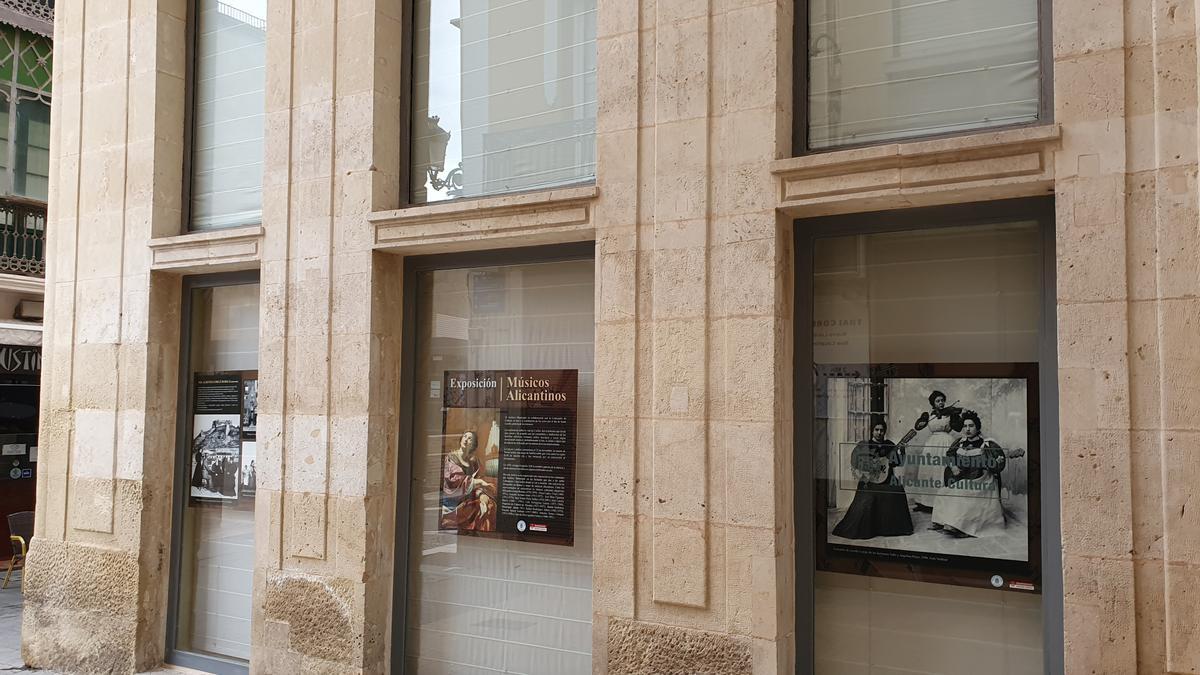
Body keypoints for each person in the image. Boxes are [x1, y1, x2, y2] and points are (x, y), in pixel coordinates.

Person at [831, 421, 914, 539]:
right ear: (872, 430)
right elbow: (856, 462)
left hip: (887, 479)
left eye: (882, 430)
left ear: (885, 431)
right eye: (877, 430)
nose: (879, 433)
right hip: (869, 480)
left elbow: (898, 463)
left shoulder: (890, 445)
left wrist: (903, 451)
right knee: (868, 497)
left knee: (897, 490)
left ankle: (895, 529)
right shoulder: (865, 445)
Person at [930, 410, 1007, 538]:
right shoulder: (959, 442)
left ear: (977, 428)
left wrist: (992, 462)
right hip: (963, 478)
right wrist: (953, 466)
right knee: (944, 491)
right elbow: (949, 455)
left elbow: (996, 463)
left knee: (962, 492)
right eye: (965, 426)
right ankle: (944, 521)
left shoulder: (986, 444)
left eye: (971, 426)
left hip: (981, 479)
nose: (967, 429)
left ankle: (959, 526)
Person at [909, 390, 962, 514]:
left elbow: (958, 427)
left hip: (946, 443)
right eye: (938, 401)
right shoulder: (929, 415)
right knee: (928, 472)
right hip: (932, 444)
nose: (941, 403)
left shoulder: (950, 413)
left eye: (942, 400)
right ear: (933, 403)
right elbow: (918, 426)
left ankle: (943, 502)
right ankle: (925, 503)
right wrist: (923, 420)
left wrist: (956, 416)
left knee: (942, 471)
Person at [439, 430, 497, 532]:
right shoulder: (451, 458)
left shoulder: (473, 463)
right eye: (465, 436)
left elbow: (479, 483)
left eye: (470, 438)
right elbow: (453, 481)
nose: (466, 439)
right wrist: (478, 482)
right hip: (453, 502)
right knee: (475, 510)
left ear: (473, 445)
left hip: (466, 499)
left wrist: (482, 494)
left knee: (489, 505)